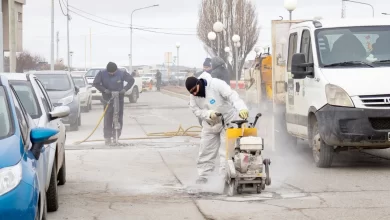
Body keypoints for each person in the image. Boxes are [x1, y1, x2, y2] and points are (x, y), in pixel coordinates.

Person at [185, 75, 249, 184]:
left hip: (228, 120)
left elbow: (232, 95)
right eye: (192, 92)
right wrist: (208, 114)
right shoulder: (193, 96)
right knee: (206, 149)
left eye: (195, 90)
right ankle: (204, 175)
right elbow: (195, 110)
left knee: (226, 150)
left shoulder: (216, 84)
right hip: (210, 124)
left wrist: (242, 108)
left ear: (198, 83)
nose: (194, 94)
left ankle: (225, 176)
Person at [93, 62, 135, 145]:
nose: (111, 74)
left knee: (118, 117)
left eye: (113, 73)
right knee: (108, 118)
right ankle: (107, 137)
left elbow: (131, 80)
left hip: (119, 98)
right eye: (110, 73)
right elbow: (96, 83)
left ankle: (116, 137)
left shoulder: (121, 73)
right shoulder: (102, 73)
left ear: (116, 70)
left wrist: (124, 89)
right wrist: (104, 90)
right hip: (107, 99)